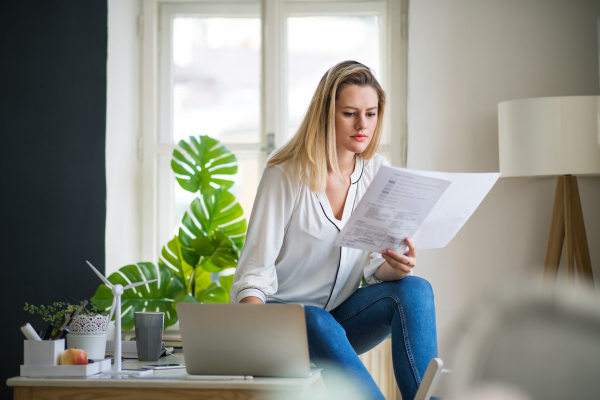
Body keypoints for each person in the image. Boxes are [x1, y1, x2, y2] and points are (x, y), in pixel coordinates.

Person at [230, 60, 438, 400]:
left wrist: (394, 265)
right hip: (284, 326)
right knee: (312, 318)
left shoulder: (376, 171)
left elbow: (373, 268)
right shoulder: (284, 174)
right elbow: (253, 274)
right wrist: (257, 350)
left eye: (370, 114)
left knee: (414, 289)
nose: (362, 125)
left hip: (339, 322)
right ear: (326, 114)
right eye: (350, 113)